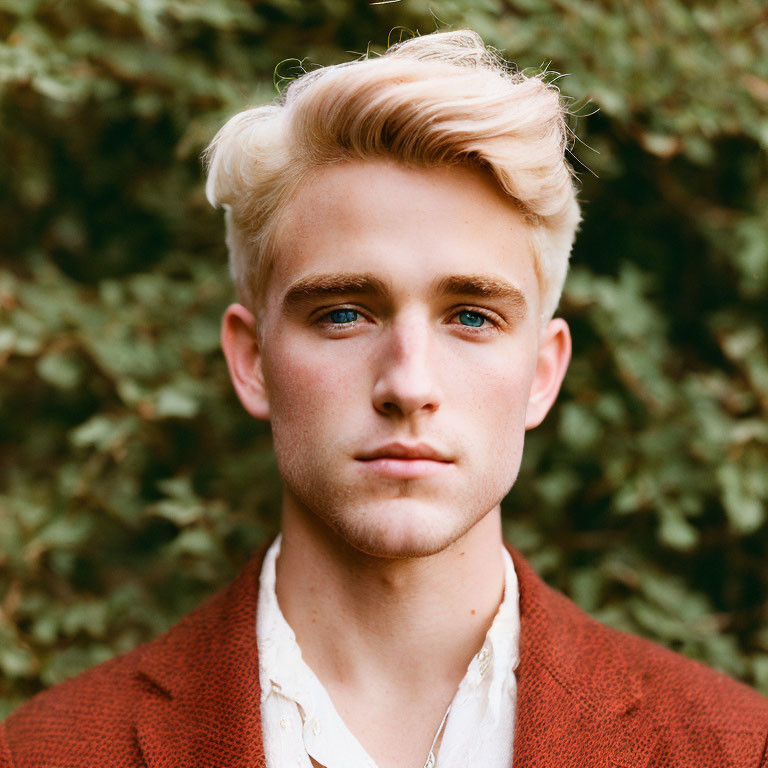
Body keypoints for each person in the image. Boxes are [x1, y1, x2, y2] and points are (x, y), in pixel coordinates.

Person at [2, 29, 767, 768]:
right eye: (343, 314)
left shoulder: (735, 750)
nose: (409, 384)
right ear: (251, 361)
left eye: (471, 316)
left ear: (542, 370)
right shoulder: (41, 755)